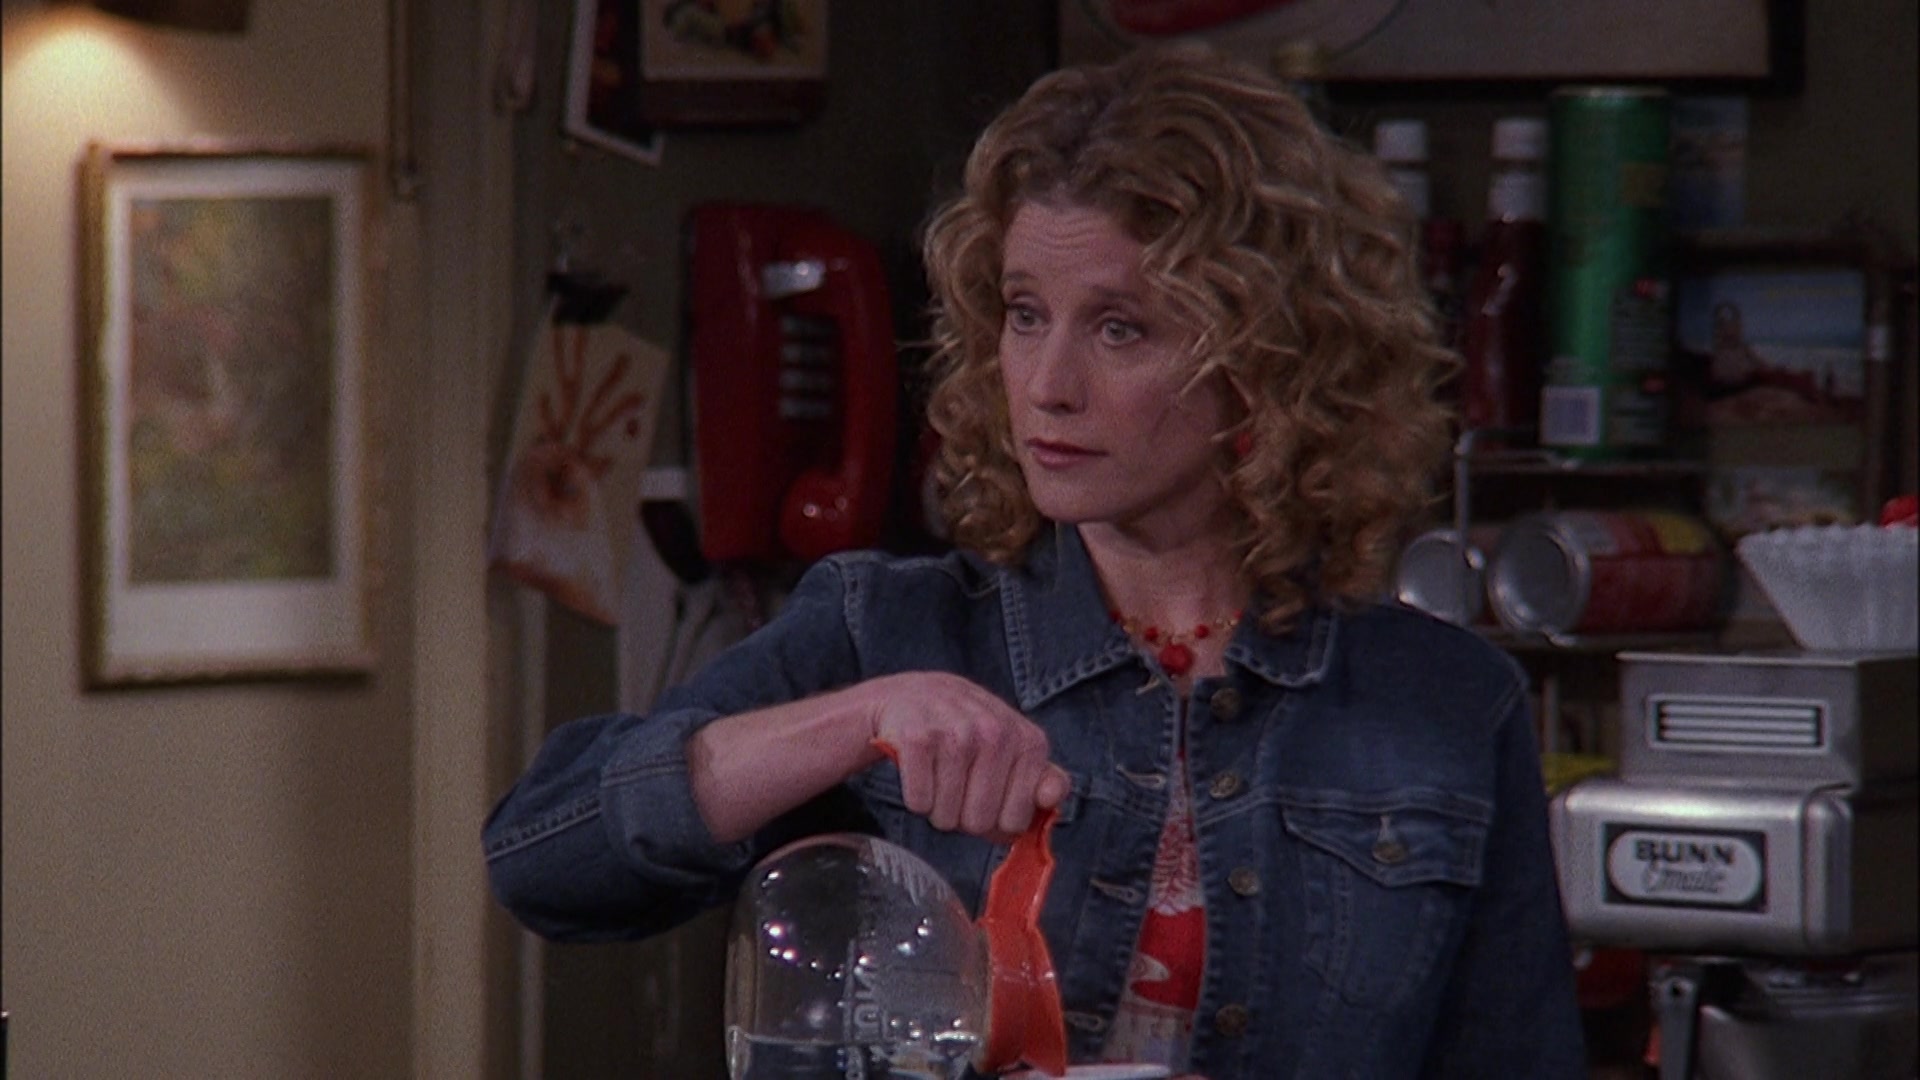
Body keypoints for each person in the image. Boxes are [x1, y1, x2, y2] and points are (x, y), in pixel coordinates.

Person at [485, 42, 1588, 1079]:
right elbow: (542, 853)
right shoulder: (889, 629)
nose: (1048, 386)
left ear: (1269, 362)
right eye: (1024, 314)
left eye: (1120, 328)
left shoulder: (1448, 709)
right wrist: (858, 719)